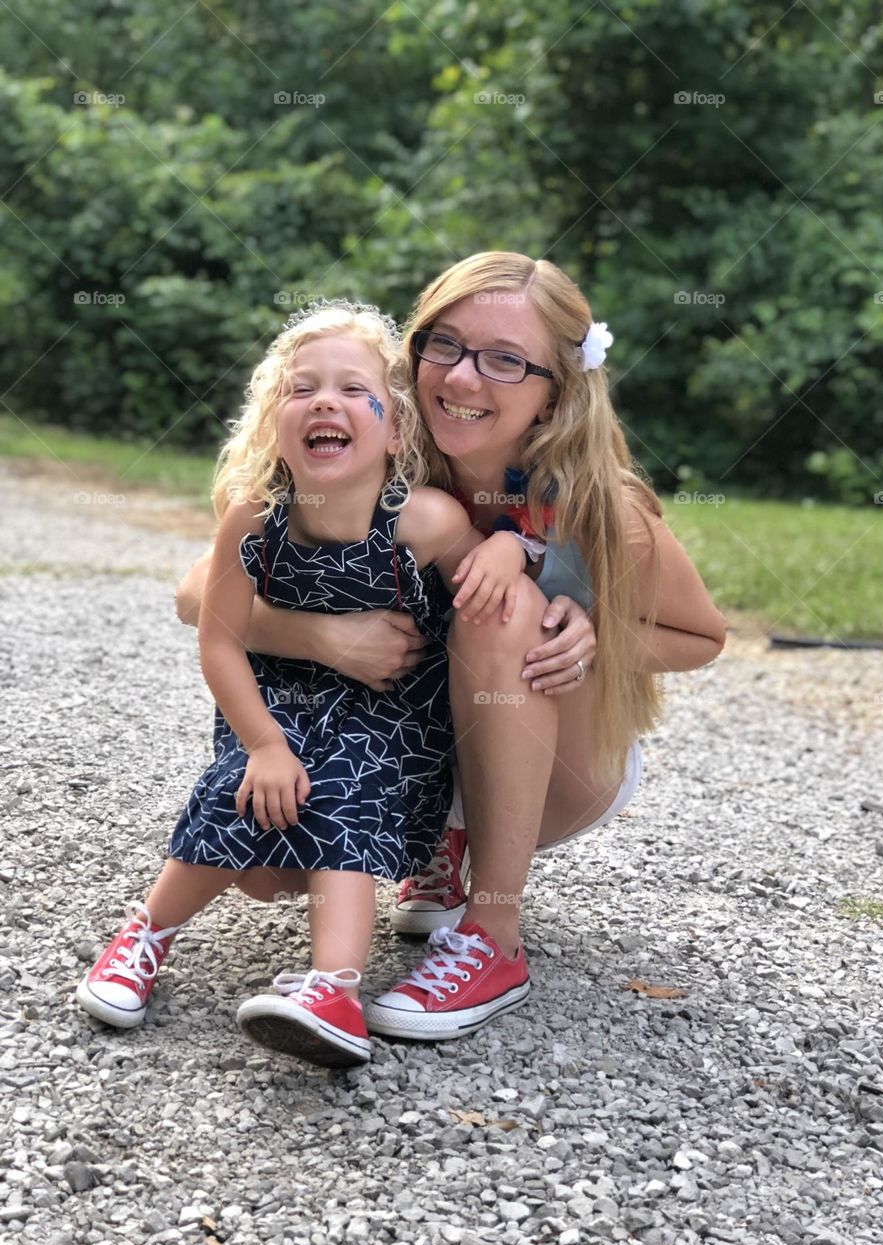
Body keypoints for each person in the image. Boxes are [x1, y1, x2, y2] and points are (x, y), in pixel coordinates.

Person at [175, 253, 727, 1043]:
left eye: (506, 361)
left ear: (556, 392)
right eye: (447, 346)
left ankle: (494, 937)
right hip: (418, 749)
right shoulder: (377, 445)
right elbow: (197, 592)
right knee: (266, 872)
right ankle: (437, 841)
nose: (465, 379)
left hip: (560, 761)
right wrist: (325, 636)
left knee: (504, 608)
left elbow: (702, 638)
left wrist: (598, 634)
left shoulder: (597, 502)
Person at [75, 301, 532, 1067]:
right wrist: (260, 745)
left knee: (346, 795)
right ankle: (142, 935)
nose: (326, 401)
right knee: (233, 794)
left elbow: (487, 615)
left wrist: (514, 552)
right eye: (302, 389)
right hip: (276, 711)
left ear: (395, 431)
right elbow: (218, 642)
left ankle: (333, 989)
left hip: (394, 724)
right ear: (274, 421)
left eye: (356, 391)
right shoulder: (254, 523)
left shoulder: (426, 522)